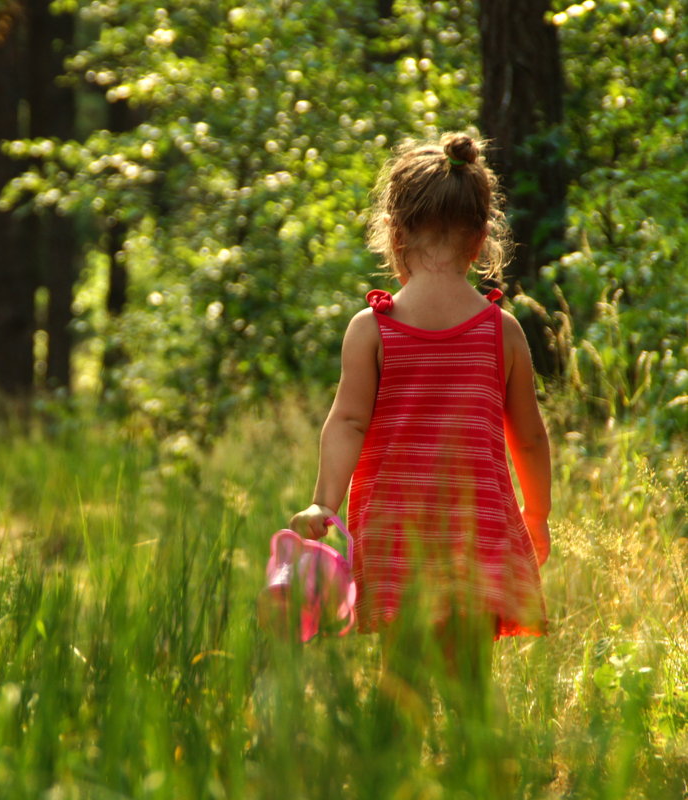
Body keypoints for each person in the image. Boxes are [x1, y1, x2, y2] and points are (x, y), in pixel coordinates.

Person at [289, 132, 551, 739]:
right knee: (472, 692)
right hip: (477, 533)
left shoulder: (372, 329)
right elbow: (530, 438)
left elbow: (347, 421)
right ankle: (481, 779)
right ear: (482, 239)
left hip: (396, 534)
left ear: (394, 234)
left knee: (399, 685)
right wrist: (535, 513)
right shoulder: (500, 331)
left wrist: (323, 502)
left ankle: (394, 776)